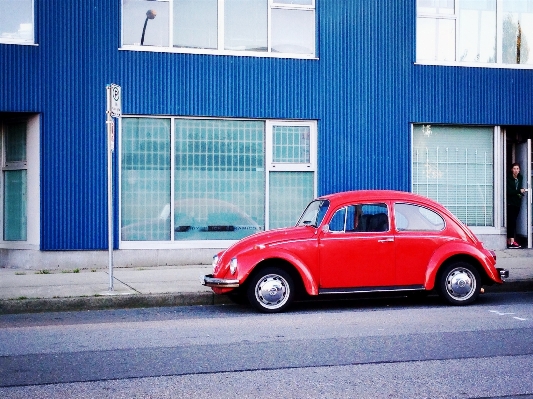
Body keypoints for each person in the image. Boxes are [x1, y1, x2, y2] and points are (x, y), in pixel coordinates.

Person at [506, 162, 527, 248]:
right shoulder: (508, 178)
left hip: (517, 203)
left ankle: (510, 240)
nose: (516, 170)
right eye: (514, 169)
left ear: (519, 170)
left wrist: (520, 193)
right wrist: (519, 191)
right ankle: (511, 241)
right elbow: (509, 192)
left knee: (514, 221)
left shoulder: (520, 178)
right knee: (511, 221)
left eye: (517, 169)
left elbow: (519, 189)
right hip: (510, 203)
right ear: (511, 169)